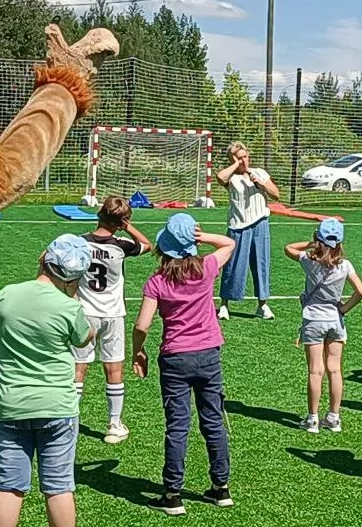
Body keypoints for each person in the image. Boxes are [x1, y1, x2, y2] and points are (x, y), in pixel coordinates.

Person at [0, 235, 96, 527]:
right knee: (59, 487)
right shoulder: (69, 308)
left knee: (9, 487)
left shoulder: (5, 296)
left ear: (44, 259)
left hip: (10, 405)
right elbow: (85, 337)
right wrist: (73, 299)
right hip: (58, 407)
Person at [132, 213, 238, 516]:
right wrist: (200, 238)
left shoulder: (157, 281)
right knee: (213, 422)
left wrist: (138, 352)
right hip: (208, 354)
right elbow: (229, 242)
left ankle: (173, 493)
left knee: (178, 426)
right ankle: (221, 488)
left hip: (175, 357)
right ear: (192, 244)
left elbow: (142, 325)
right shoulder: (206, 268)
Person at [74, 196, 153, 444]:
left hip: (85, 313)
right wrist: (127, 226)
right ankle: (114, 423)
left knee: (78, 369)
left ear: (99, 214)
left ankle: (69, 421)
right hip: (113, 314)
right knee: (113, 368)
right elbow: (147, 245)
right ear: (121, 222)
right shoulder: (121, 246)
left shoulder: (80, 243)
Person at [284, 218, 362, 433]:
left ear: (317, 238)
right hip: (335, 320)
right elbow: (361, 291)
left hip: (313, 319)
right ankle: (333, 417)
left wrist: (311, 244)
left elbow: (288, 248)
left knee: (315, 371)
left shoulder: (309, 261)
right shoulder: (345, 265)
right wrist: (344, 308)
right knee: (335, 370)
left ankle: (312, 419)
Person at [216, 141, 280, 320]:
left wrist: (260, 183)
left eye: (245, 156)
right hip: (238, 226)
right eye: (239, 158)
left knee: (261, 264)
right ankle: (224, 305)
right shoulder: (232, 178)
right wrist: (236, 164)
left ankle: (263, 305)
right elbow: (220, 177)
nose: (244, 160)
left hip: (260, 224)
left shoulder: (259, 173)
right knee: (233, 266)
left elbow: (276, 194)